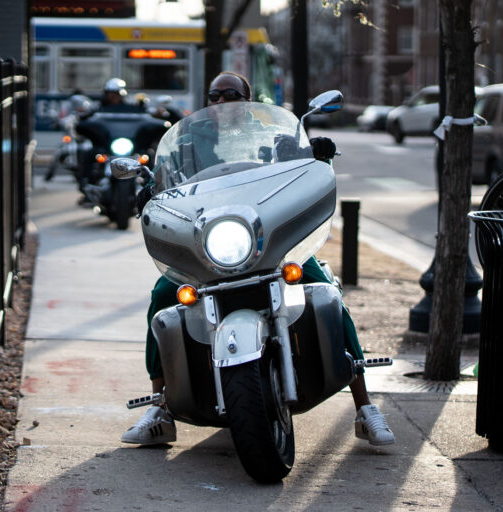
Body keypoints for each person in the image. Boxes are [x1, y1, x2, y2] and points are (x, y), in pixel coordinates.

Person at [121, 71, 395, 447]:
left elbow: (296, 169)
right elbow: (170, 180)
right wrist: (152, 190)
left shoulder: (267, 131)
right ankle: (160, 407)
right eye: (213, 96)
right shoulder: (189, 138)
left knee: (323, 288)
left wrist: (317, 156)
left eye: (229, 94)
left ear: (246, 98)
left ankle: (365, 408)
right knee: (163, 297)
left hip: (266, 239)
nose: (220, 102)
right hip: (212, 240)